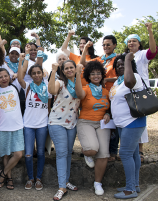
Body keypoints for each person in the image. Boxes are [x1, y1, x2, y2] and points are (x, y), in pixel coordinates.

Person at [109, 53, 146, 199]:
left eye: (123, 64)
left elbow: (129, 83)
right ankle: (134, 184)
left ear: (130, 64)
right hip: (123, 124)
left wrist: (128, 60)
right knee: (134, 154)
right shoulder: (118, 81)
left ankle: (130, 190)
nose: (120, 66)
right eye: (118, 65)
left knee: (124, 154)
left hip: (133, 122)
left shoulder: (134, 77)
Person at [74, 61, 111, 196]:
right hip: (86, 122)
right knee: (92, 149)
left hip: (102, 123)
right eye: (93, 73)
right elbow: (78, 94)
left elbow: (109, 107)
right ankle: (87, 152)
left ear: (102, 75)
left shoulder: (106, 91)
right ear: (88, 76)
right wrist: (78, 73)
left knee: (104, 154)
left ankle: (97, 183)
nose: (96, 76)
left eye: (98, 73)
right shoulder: (85, 88)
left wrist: (107, 114)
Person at [123, 23, 157, 162]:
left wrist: (150, 32)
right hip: (128, 91)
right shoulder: (124, 56)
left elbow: (153, 51)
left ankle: (140, 150)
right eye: (129, 41)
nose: (131, 43)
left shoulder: (143, 54)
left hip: (141, 91)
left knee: (141, 118)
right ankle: (132, 149)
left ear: (139, 43)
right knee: (130, 118)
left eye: (134, 41)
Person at [18, 52, 52, 191]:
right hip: (28, 124)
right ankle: (30, 178)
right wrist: (24, 60)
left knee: (41, 153)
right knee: (28, 153)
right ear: (31, 75)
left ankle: (38, 179)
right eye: (34, 73)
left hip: (43, 124)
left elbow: (48, 107)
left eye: (39, 72)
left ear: (42, 74)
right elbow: (20, 77)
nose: (37, 75)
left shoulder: (48, 87)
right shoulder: (28, 86)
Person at [48, 60, 80, 200]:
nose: (68, 70)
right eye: (66, 68)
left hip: (72, 123)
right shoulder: (60, 82)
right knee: (61, 153)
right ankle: (61, 187)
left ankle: (66, 181)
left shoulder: (79, 83)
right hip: (56, 122)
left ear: (75, 68)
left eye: (71, 67)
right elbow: (52, 91)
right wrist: (54, 71)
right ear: (63, 70)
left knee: (67, 154)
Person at [0, 68, 24, 190]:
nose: (4, 78)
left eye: (6, 76)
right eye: (1, 77)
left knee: (18, 154)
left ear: (9, 77)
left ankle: (3, 174)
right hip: (2, 127)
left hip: (17, 125)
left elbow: (22, 74)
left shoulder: (15, 87)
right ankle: (9, 179)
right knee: (5, 155)